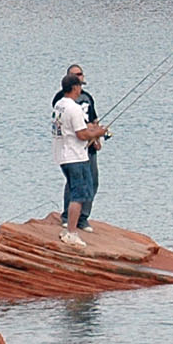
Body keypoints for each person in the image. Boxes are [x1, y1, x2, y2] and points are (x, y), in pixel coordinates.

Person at [51, 74, 107, 247]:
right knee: (79, 194)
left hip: (62, 155)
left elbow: (73, 129)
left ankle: (69, 227)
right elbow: (81, 135)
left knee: (75, 190)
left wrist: (91, 130)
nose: (81, 89)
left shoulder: (59, 105)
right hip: (75, 157)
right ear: (75, 88)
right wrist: (98, 133)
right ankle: (71, 232)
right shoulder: (74, 108)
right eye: (80, 86)